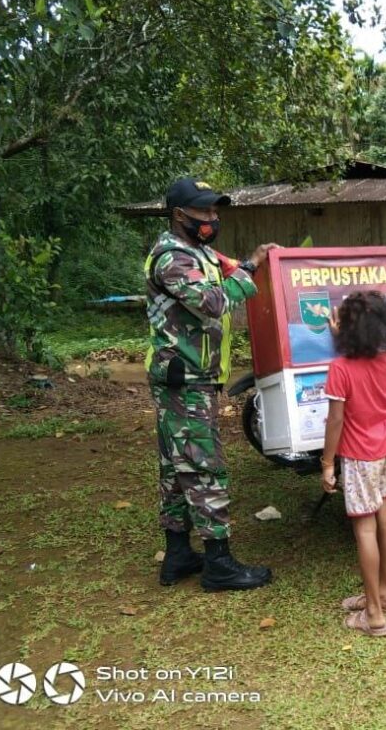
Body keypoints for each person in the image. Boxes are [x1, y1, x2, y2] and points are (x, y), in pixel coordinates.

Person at [146, 177, 277, 591]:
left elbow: (224, 269)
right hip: (184, 379)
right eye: (204, 213)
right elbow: (213, 301)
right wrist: (252, 269)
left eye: (215, 212)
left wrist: (251, 261)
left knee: (176, 468)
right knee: (205, 468)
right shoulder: (172, 258)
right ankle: (219, 563)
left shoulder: (196, 252)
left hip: (187, 376)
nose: (212, 219)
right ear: (179, 214)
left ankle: (179, 554)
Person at [321, 292, 386, 637]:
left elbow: (335, 421)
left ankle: (374, 616)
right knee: (384, 521)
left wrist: (327, 463)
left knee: (365, 530)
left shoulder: (339, 368)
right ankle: (385, 594)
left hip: (360, 456)